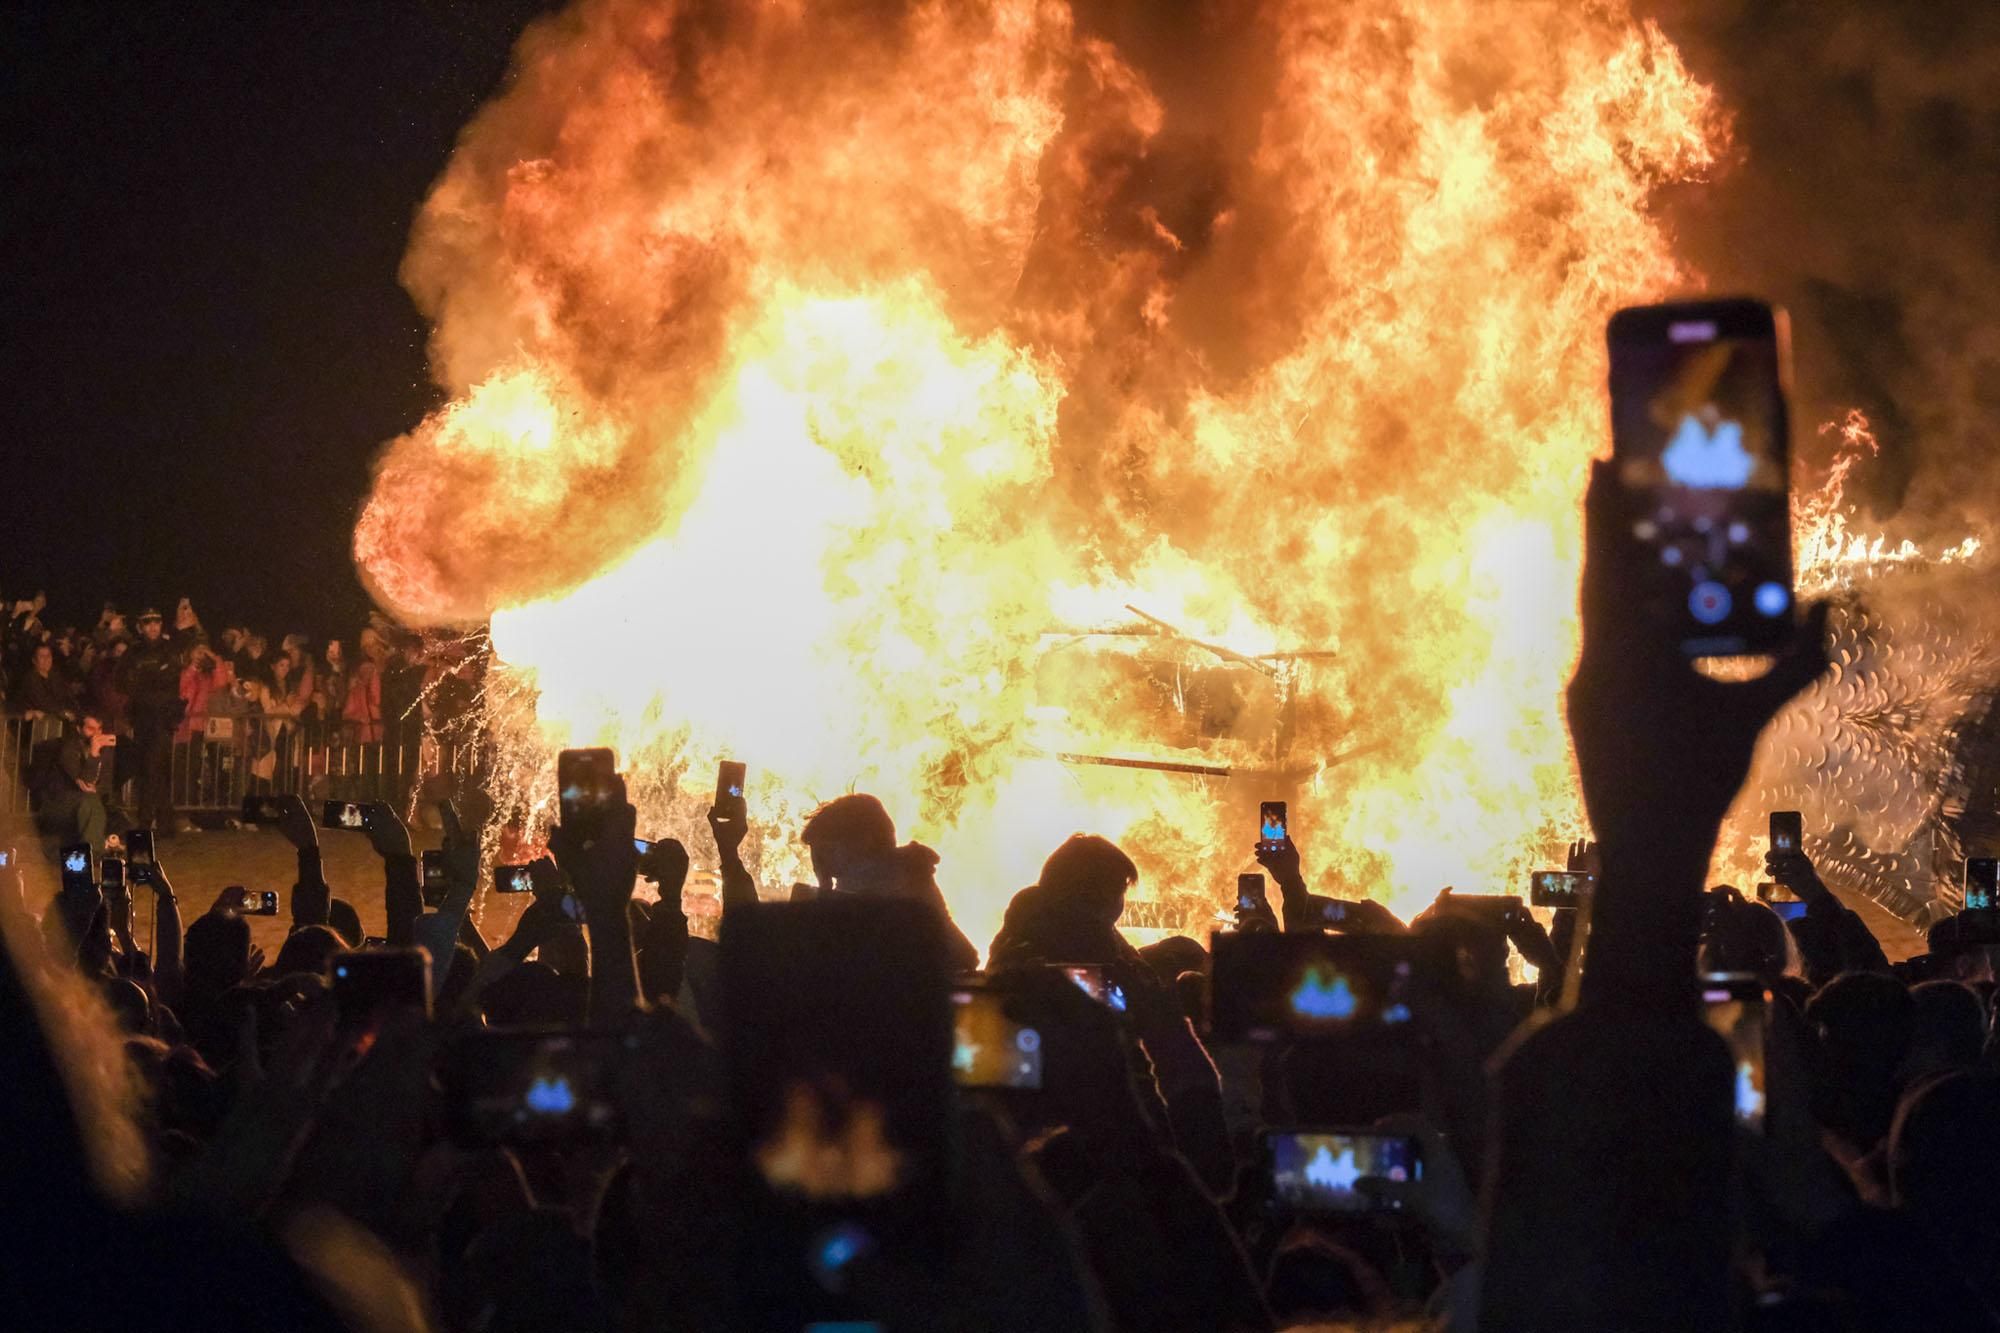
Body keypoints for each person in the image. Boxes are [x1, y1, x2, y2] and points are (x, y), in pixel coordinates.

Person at [798, 792, 978, 971]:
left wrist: (824, 895)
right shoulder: (905, 872)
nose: (818, 862)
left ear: (864, 842)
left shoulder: (899, 880)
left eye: (827, 849)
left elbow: (963, 955)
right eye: (815, 852)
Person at [120, 604, 197, 831]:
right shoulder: (132, 652)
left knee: (153, 767)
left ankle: (146, 821)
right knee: (154, 769)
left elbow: (170, 675)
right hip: (142, 717)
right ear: (140, 626)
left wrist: (148, 680)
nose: (153, 626)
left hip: (162, 718)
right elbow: (122, 681)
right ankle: (165, 821)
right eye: (147, 622)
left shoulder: (169, 648)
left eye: (156, 621)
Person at [35, 711, 116, 849]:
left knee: (104, 810)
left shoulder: (106, 751)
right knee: (90, 802)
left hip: (88, 802)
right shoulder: (69, 749)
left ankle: (97, 848)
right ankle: (94, 851)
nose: (96, 734)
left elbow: (107, 783)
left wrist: (97, 788)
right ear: (79, 729)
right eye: (91, 729)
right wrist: (94, 754)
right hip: (60, 803)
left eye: (99, 729)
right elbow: (85, 783)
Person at [13, 642, 78, 721]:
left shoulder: (55, 674)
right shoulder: (31, 678)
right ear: (34, 660)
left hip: (55, 719)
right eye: (42, 656)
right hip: (34, 724)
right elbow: (45, 703)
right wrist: (65, 713)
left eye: (48, 656)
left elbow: (65, 694)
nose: (46, 659)